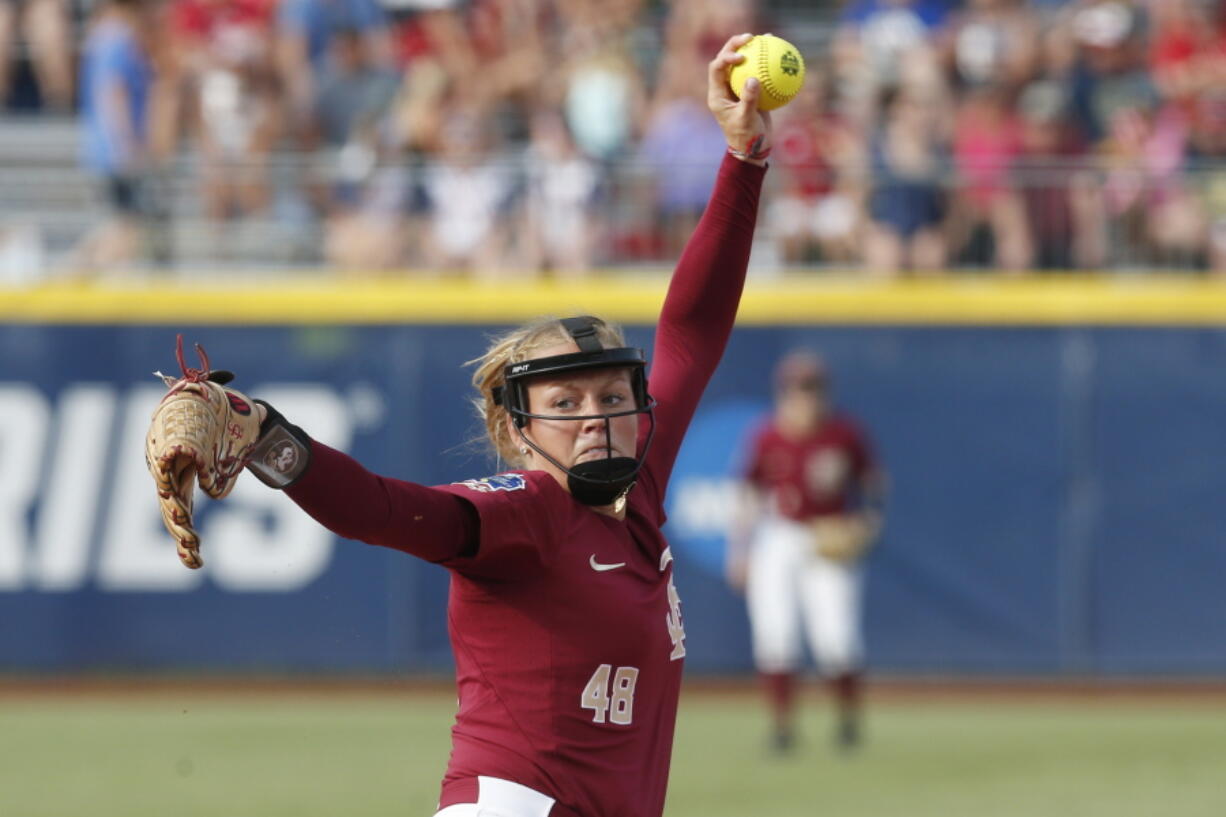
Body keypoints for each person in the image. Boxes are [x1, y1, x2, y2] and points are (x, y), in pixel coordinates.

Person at [163, 34, 771, 817]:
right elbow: (384, 508)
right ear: (518, 433)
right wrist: (265, 439)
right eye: (565, 404)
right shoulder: (528, 511)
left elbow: (692, 329)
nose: (596, 417)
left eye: (610, 395)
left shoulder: (638, 484)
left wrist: (744, 159)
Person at [726, 350, 886, 754]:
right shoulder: (767, 434)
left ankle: (848, 723)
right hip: (779, 536)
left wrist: (868, 519)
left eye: (813, 388)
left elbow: (875, 482)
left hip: (828, 536)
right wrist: (740, 549)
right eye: (798, 388)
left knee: (837, 637)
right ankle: (782, 729)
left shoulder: (843, 433)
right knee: (775, 635)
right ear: (783, 392)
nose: (806, 396)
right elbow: (747, 492)